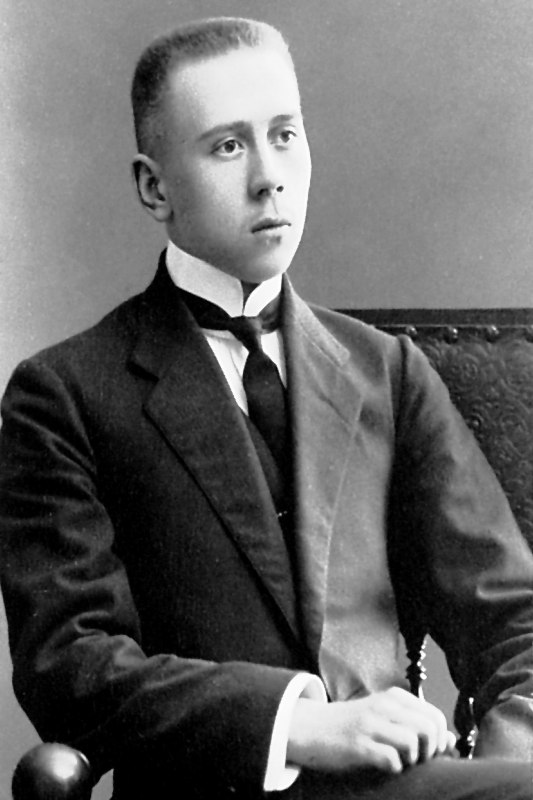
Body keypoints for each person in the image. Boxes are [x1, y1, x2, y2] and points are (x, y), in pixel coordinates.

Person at [0, 17, 531, 800]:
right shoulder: (67, 395)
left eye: (284, 136)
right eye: (227, 146)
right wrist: (298, 727)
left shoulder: (385, 373)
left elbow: (513, 620)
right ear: (153, 187)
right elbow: (69, 666)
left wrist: (503, 759)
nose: (269, 178)